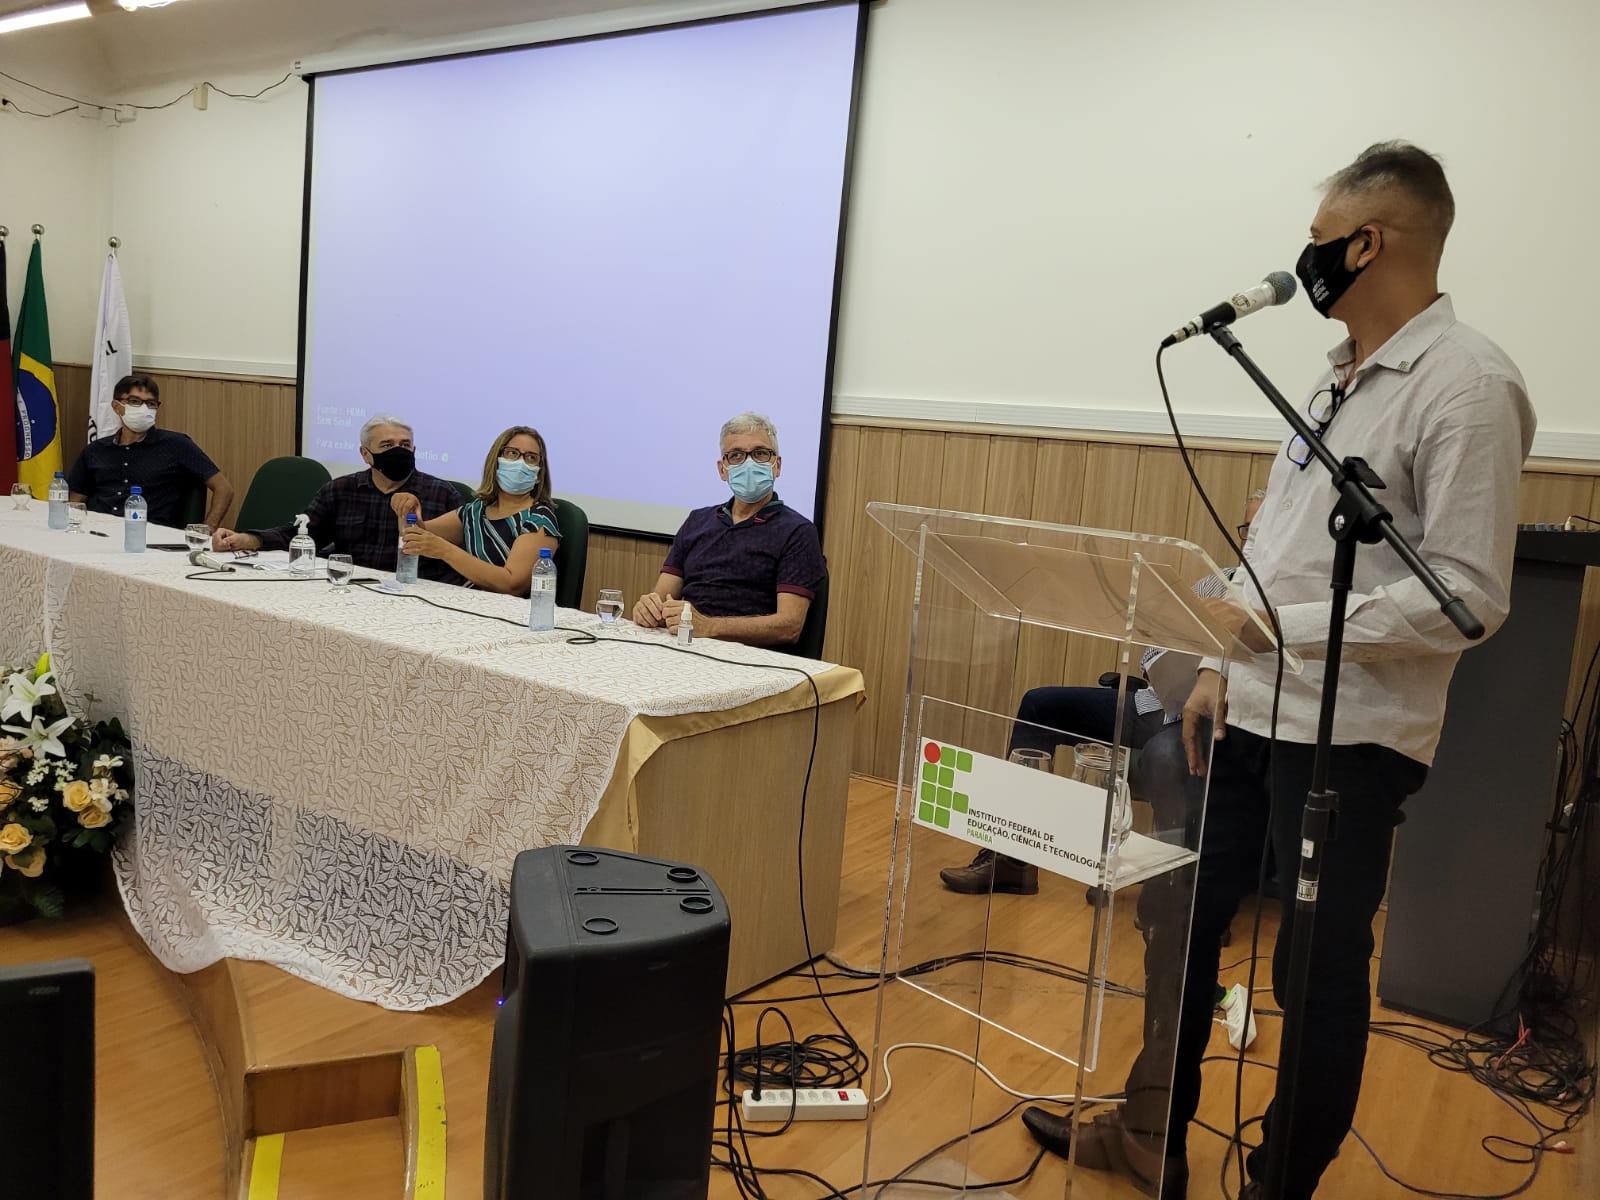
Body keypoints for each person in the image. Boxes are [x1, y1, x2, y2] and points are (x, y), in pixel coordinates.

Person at [1022, 143, 1536, 1200]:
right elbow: (1279, 548)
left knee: (1313, 971)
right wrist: (1222, 658)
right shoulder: (1331, 377)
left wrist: (1274, 629)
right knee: (1178, 920)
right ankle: (1149, 1133)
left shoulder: (1469, 384)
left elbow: (1468, 594)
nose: (1303, 261)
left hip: (1351, 737)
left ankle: (1278, 1183)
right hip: (1246, 711)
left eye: (1317, 241)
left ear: (1368, 242)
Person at [941, 491, 1265, 897]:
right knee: (1041, 704)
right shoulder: (1213, 582)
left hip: (1212, 725)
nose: (1252, 540)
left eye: (1263, 529)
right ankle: (1010, 859)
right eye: (1247, 529)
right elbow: (1151, 654)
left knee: (1165, 755)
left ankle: (1172, 889)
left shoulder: (1280, 608)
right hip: (1154, 703)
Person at [633, 412, 825, 647]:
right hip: (683, 645)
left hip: (747, 657)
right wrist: (649, 610)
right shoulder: (697, 521)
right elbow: (663, 600)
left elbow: (789, 626)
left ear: (777, 466)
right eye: (736, 455)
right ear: (722, 470)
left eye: (760, 453)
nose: (749, 463)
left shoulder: (797, 532)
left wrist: (709, 626)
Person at [212, 415, 464, 584]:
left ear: (414, 450)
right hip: (351, 589)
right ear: (366, 454)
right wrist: (249, 539)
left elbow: (462, 554)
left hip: (415, 592)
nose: (398, 451)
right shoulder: (341, 490)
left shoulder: (441, 494)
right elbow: (302, 535)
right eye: (387, 445)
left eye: (405, 445)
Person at [389, 426, 559, 595]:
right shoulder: (476, 510)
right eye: (512, 453)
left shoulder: (538, 520)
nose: (520, 462)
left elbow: (512, 585)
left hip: (502, 608)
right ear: (496, 461)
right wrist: (407, 511)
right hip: (465, 600)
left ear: (539, 473)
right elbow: (417, 536)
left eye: (531, 457)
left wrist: (445, 551)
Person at [66, 374, 233, 528]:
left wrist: (207, 529)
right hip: (97, 531)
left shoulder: (176, 445)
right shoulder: (95, 451)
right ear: (117, 407)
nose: (144, 408)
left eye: (151, 403)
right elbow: (75, 502)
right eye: (135, 401)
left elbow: (224, 488)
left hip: (149, 536)